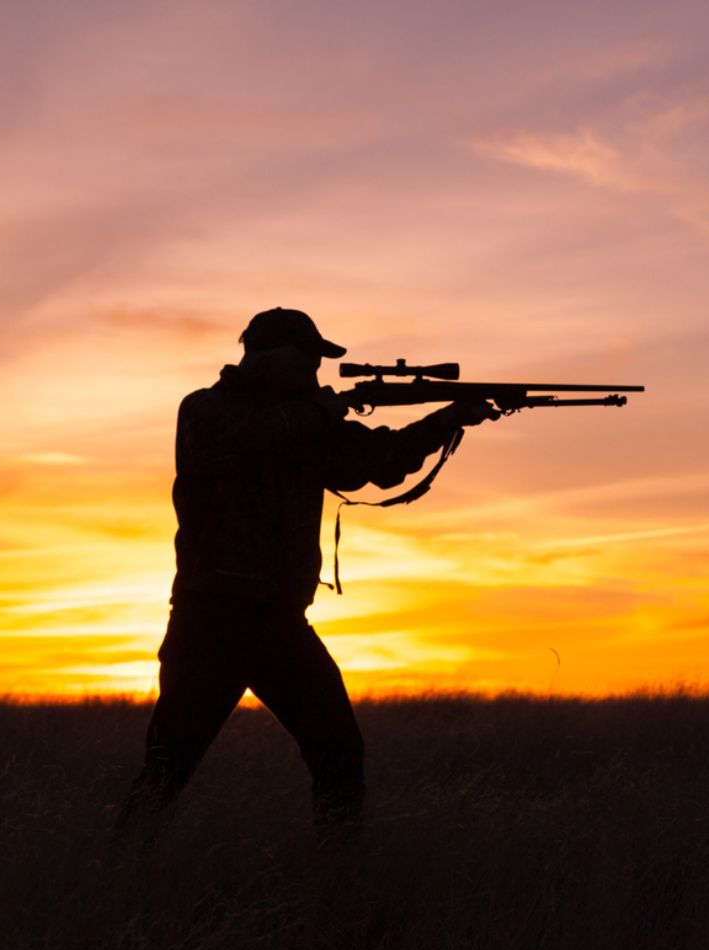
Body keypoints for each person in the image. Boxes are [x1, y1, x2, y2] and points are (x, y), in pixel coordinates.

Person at [115, 308, 497, 844]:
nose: (318, 370)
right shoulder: (206, 410)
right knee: (166, 768)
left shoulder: (307, 421)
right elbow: (253, 438)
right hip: (212, 620)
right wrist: (323, 408)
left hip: (278, 623)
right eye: (311, 358)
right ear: (277, 357)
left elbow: (377, 462)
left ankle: (338, 881)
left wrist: (448, 419)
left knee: (339, 753)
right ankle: (118, 879)